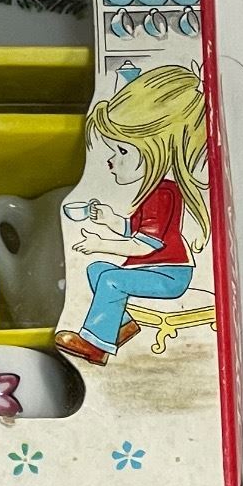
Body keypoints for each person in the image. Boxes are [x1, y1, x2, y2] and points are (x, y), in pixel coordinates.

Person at [53, 64, 208, 365]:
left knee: (111, 280)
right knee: (97, 270)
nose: (111, 160)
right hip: (152, 268)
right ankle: (121, 327)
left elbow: (142, 245)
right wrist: (109, 219)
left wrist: (101, 244)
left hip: (169, 275)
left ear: (158, 149)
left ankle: (96, 345)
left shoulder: (162, 194)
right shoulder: (151, 193)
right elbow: (134, 230)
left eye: (123, 151)